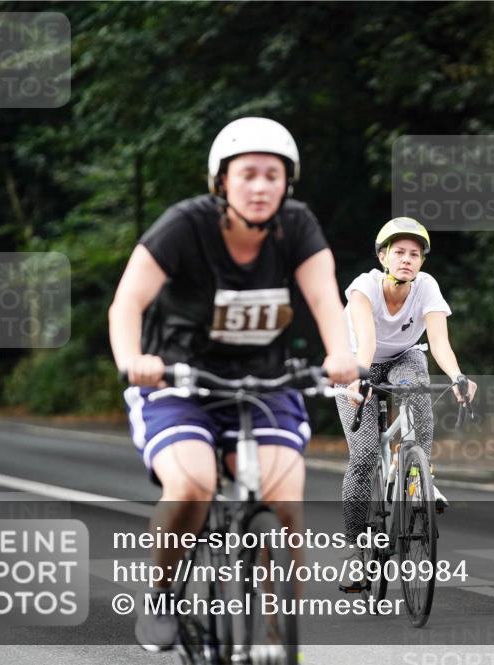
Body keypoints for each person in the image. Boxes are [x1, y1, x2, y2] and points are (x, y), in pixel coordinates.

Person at [108, 117, 358, 651]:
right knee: (194, 485)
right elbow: (127, 301)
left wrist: (341, 354)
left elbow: (324, 300)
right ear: (221, 181)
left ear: (287, 183)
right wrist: (134, 359)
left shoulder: (298, 227)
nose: (261, 186)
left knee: (285, 502)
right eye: (248, 174)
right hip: (181, 383)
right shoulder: (184, 226)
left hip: (264, 383)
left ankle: (274, 638)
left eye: (273, 174)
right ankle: (161, 594)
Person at [333, 217, 476, 592]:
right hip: (356, 360)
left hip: (404, 357)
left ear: (422, 262)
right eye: (399, 252)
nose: (407, 260)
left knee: (418, 394)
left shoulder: (426, 287)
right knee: (363, 456)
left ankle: (419, 479)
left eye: (415, 254)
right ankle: (355, 549)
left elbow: (439, 342)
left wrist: (459, 376)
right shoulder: (364, 287)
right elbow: (365, 339)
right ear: (383, 256)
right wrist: (359, 378)